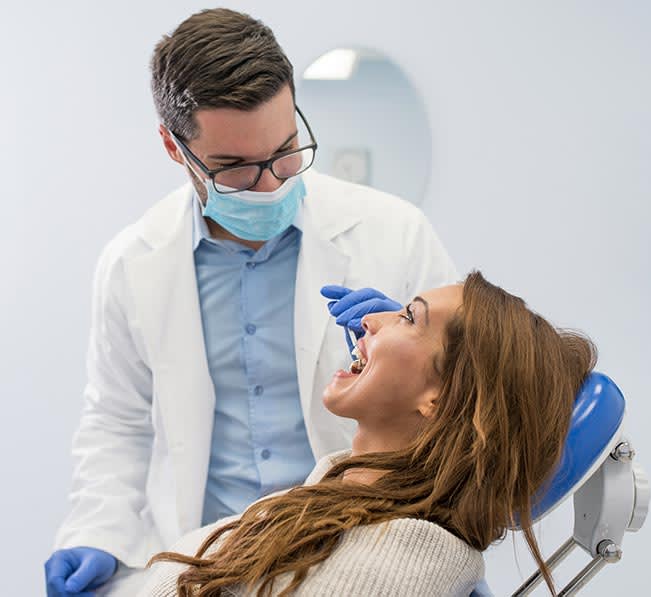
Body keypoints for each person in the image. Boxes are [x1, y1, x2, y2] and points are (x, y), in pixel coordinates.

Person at [43, 8, 459, 597]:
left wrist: (421, 347)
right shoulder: (131, 265)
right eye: (235, 170)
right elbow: (118, 419)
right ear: (173, 147)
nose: (271, 185)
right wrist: (97, 531)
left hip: (359, 547)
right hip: (209, 559)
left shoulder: (396, 233)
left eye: (286, 151)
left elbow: (467, 403)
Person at [138, 271, 597, 596]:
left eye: (407, 318)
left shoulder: (390, 564)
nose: (369, 321)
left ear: (439, 398)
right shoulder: (332, 502)